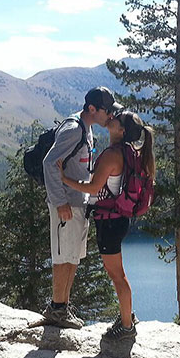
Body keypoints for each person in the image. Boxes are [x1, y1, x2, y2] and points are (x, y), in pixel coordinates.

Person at [58, 110, 155, 342]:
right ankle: (127, 317)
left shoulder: (113, 155)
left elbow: (93, 189)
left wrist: (63, 179)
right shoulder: (130, 151)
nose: (112, 117)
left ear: (121, 131)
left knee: (117, 275)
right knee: (118, 274)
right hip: (118, 219)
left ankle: (126, 326)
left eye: (117, 119)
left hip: (109, 222)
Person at [41, 86, 123, 329]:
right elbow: (49, 164)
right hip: (66, 205)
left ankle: (63, 307)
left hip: (78, 204)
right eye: (106, 112)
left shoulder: (85, 129)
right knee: (63, 257)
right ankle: (57, 308)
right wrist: (60, 202)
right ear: (92, 109)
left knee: (73, 256)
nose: (109, 116)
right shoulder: (73, 129)